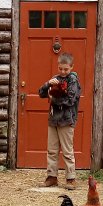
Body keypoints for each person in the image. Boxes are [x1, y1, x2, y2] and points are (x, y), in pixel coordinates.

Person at [37, 52, 81, 190]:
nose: (63, 71)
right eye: (61, 68)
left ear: (72, 67)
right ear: (58, 66)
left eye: (66, 69)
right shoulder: (55, 79)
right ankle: (51, 177)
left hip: (67, 120)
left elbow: (70, 100)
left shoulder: (73, 81)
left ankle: (71, 179)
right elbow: (41, 93)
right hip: (53, 120)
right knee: (52, 150)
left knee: (67, 151)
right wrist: (47, 84)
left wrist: (52, 99)